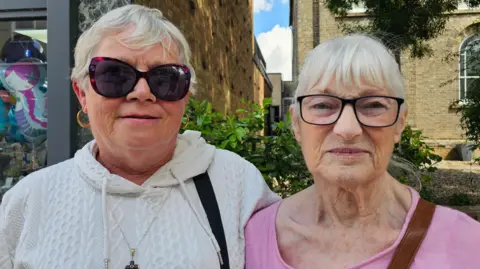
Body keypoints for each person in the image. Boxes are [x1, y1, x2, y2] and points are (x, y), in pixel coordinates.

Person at [0, 4, 280, 269]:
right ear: (82, 94)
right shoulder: (28, 202)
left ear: (185, 96)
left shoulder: (238, 185)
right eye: (114, 74)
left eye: (166, 78)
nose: (143, 92)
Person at [245, 34, 480, 269]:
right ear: (296, 124)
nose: (348, 129)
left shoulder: (467, 244)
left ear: (399, 123)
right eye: (323, 105)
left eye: (373, 105)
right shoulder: (249, 242)